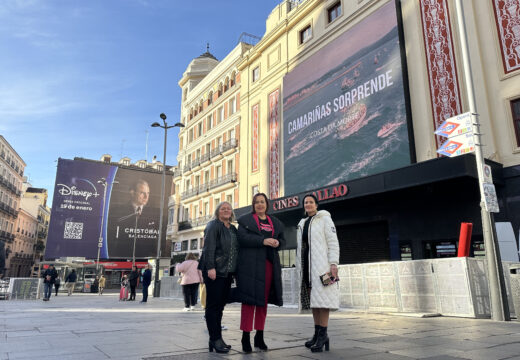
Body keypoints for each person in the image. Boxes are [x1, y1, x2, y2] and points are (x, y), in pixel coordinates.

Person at [236, 193, 285, 353]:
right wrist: (262, 241)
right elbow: (242, 239)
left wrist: (277, 242)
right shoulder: (245, 221)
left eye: (262, 202)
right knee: (249, 301)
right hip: (250, 266)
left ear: (266, 204)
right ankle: (245, 337)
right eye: (256, 202)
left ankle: (260, 336)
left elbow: (283, 240)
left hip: (269, 265)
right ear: (253, 204)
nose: (259, 205)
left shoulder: (275, 222)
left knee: (263, 302)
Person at [296, 194, 340, 353]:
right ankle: (317, 334)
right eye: (306, 202)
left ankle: (323, 334)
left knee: (324, 301)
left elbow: (333, 242)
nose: (308, 204)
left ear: (316, 204)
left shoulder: (325, 219)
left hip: (323, 267)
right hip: (307, 268)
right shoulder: (302, 222)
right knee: (315, 301)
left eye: (311, 202)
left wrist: (334, 263)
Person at [199, 201, 238, 354]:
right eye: (223, 208)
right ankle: (215, 339)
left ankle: (216, 338)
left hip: (227, 272)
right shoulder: (213, 225)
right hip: (215, 271)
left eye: (228, 208)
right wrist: (210, 267)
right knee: (213, 306)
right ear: (218, 212)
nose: (226, 210)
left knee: (220, 306)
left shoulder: (233, 228)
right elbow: (208, 248)